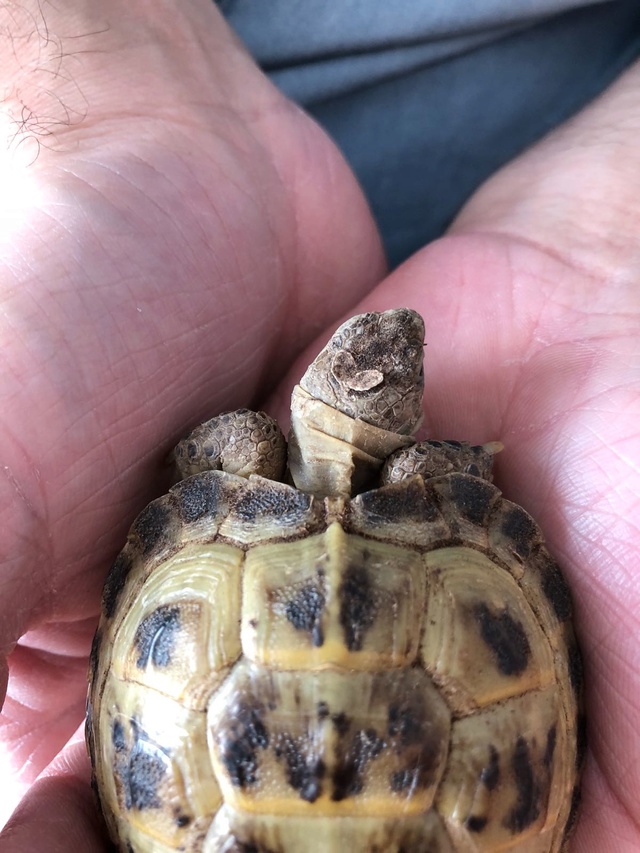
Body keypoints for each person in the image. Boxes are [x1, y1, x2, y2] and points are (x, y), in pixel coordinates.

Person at [0, 2, 638, 850]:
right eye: (376, 376)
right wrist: (112, 69)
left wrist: (614, 248)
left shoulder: (238, 460)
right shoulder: (439, 484)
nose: (401, 349)